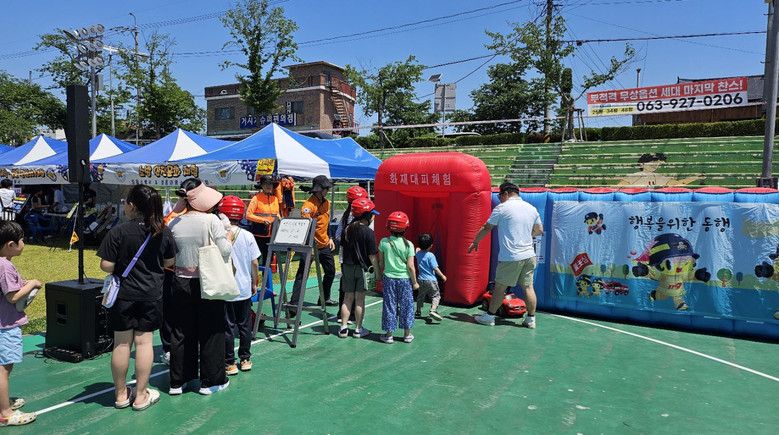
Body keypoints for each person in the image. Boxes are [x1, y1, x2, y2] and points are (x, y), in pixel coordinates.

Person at [96, 185, 177, 411]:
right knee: (144, 343)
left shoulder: (118, 232)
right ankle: (141, 395)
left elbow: (106, 265)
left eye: (125, 202)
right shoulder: (163, 231)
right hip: (151, 294)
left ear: (132, 206)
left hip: (123, 295)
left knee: (121, 343)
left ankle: (121, 394)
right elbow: (169, 261)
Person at [168, 178, 233, 395]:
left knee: (181, 332)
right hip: (208, 281)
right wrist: (230, 234)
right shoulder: (211, 220)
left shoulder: (173, 223)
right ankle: (211, 381)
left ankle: (178, 381)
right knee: (211, 330)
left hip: (180, 280)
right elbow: (225, 250)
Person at [468, 182, 543, 328]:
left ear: (506, 194)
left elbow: (487, 227)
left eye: (500, 195)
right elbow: (539, 229)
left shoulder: (502, 208)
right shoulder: (531, 208)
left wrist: (475, 241)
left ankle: (489, 317)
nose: (500, 198)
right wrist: (526, 236)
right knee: (528, 287)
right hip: (529, 255)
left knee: (500, 288)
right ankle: (531, 319)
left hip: (511, 256)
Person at [0, 221, 40, 426]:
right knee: (3, 369)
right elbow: (13, 297)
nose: (24, 244)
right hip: (5, 326)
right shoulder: (5, 265)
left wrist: (21, 284)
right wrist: (32, 284)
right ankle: (5, 413)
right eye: (22, 240)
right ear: (10, 244)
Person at [218, 196, 260, 376]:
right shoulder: (248, 235)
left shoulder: (219, 235)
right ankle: (245, 359)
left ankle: (230, 362)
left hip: (225, 288)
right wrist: (254, 282)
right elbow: (254, 262)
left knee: (227, 327)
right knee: (244, 325)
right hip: (243, 287)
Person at [289, 175, 337, 309]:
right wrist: (309, 246)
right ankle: (294, 303)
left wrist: (330, 238)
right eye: (326, 188)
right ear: (319, 189)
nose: (328, 190)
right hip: (310, 246)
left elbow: (326, 223)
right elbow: (305, 228)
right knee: (302, 274)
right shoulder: (308, 206)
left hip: (325, 244)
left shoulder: (327, 203)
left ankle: (324, 298)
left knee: (330, 272)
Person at [338, 197, 380, 338]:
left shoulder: (346, 230)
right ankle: (358, 329)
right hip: (362, 269)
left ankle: (343, 328)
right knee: (360, 299)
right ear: (366, 215)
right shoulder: (368, 232)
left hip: (347, 267)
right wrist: (377, 273)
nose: (373, 217)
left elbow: (342, 250)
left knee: (347, 298)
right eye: (372, 214)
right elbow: (372, 256)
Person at [378, 211, 419, 344]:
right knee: (407, 305)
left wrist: (378, 275)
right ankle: (407, 334)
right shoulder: (409, 244)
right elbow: (411, 266)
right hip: (405, 280)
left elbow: (381, 263)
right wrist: (415, 282)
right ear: (405, 228)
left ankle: (389, 335)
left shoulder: (384, 242)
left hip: (389, 278)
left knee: (390, 305)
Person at [334, 186, 369, 321]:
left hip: (345, 257)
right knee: (357, 289)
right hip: (356, 259)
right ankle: (353, 314)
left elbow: (338, 235)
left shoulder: (346, 214)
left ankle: (342, 314)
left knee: (346, 287)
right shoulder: (354, 217)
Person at [617, 152, 705, 187]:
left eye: (657, 163)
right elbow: (618, 187)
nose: (655, 165)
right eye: (652, 162)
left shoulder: (658, 177)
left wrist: (696, 177)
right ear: (642, 164)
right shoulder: (633, 176)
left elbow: (678, 183)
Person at [246, 174, 281, 263]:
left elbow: (277, 213)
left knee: (268, 260)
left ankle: (267, 273)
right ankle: (252, 273)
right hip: (258, 235)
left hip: (272, 235)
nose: (268, 186)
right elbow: (248, 215)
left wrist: (280, 218)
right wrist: (262, 220)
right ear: (261, 185)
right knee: (255, 259)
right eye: (266, 184)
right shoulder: (256, 198)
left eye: (270, 184)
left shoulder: (275, 199)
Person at [415, 233, 447, 321]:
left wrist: (419, 247)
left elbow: (417, 249)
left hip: (421, 280)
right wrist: (442, 276)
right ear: (431, 245)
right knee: (436, 296)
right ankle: (433, 310)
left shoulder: (418, 254)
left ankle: (418, 311)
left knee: (420, 296)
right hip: (431, 280)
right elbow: (435, 268)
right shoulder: (431, 256)